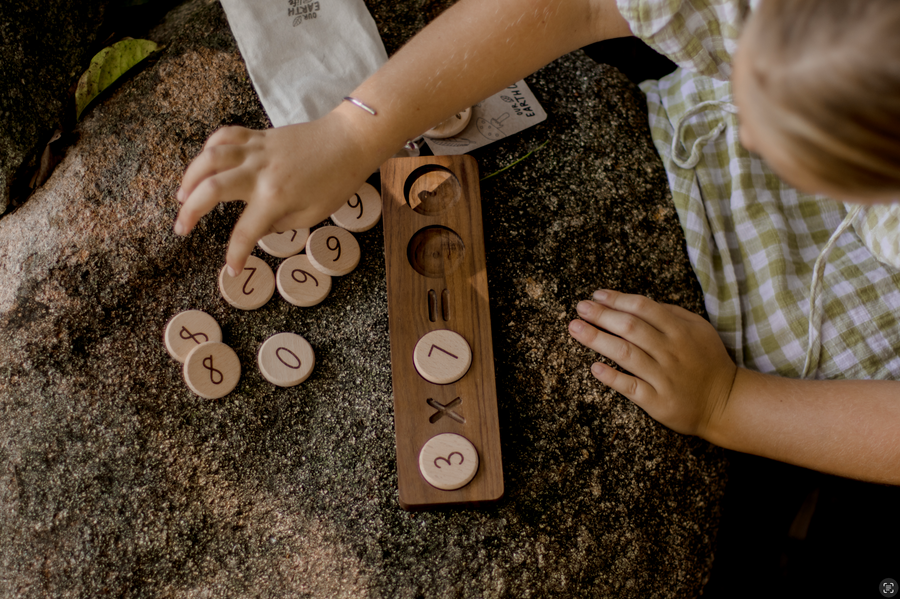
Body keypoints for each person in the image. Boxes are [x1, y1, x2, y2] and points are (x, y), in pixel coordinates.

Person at [174, 0, 900, 484]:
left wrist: (729, 402)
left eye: (781, 136)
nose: (745, 122)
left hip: (804, 361)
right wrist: (354, 129)